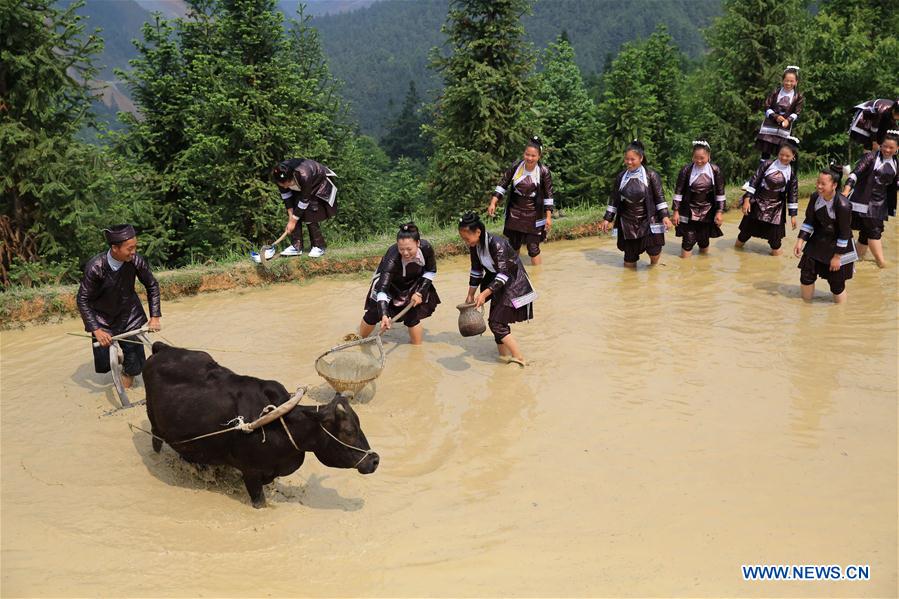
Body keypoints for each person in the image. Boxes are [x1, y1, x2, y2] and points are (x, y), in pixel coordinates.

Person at [76, 224, 161, 389]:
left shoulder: (136, 261)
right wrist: (97, 329)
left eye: (135, 247)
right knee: (104, 366)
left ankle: (127, 380)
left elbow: (152, 286)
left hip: (130, 315)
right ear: (115, 248)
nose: (134, 251)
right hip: (102, 319)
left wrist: (155, 317)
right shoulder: (95, 267)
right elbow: (82, 299)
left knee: (135, 365)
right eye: (130, 248)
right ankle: (121, 359)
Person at [459, 212, 535, 367]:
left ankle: (519, 358)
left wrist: (485, 293)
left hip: (513, 283)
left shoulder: (497, 244)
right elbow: (476, 271)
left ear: (478, 232)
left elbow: (504, 273)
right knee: (497, 322)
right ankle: (503, 357)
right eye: (463, 239)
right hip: (497, 284)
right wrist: (470, 295)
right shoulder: (475, 246)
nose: (466, 242)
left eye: (466, 238)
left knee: (496, 323)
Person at [358, 223, 440, 345]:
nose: (405, 253)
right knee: (373, 314)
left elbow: (430, 271)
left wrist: (420, 292)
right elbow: (382, 289)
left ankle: (416, 350)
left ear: (418, 243)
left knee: (412, 316)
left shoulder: (426, 248)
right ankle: (360, 341)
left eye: (409, 249)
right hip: (388, 285)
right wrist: (384, 314)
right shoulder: (392, 258)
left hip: (413, 284)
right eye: (401, 249)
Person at [599, 140, 673, 267]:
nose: (629, 162)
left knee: (654, 252)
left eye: (632, 159)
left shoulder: (651, 175)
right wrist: (607, 219)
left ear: (641, 158)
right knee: (629, 261)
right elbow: (614, 200)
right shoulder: (621, 177)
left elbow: (659, 198)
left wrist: (665, 216)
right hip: (628, 222)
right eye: (627, 159)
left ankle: (653, 270)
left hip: (648, 219)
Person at [794, 165, 857, 304]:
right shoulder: (815, 197)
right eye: (818, 182)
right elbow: (809, 220)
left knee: (836, 285)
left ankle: (840, 315)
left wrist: (837, 257)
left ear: (834, 185)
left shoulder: (843, 205)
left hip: (839, 246)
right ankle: (805, 309)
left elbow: (844, 233)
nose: (819, 186)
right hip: (818, 240)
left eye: (823, 184)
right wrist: (800, 241)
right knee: (806, 275)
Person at [487, 136, 555, 265]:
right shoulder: (517, 166)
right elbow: (503, 183)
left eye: (533, 156)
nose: (529, 158)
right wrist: (493, 202)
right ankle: (514, 273)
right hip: (515, 212)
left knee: (533, 248)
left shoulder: (543, 171)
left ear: (539, 156)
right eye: (527, 154)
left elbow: (549, 195)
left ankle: (537, 276)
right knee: (513, 245)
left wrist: (548, 217)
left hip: (534, 214)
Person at [842, 129, 898, 268]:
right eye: (885, 146)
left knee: (865, 235)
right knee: (874, 232)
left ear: (897, 148)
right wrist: (846, 191)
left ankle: (854, 261)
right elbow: (855, 174)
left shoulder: (896, 162)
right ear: (881, 145)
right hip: (864, 201)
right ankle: (882, 264)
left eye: (891, 147)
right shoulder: (871, 157)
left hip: (881, 204)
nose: (887, 149)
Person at [736, 136, 800, 255]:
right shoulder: (767, 164)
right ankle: (736, 253)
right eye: (781, 154)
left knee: (775, 243)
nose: (783, 158)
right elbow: (754, 181)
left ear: (793, 157)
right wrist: (747, 200)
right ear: (778, 153)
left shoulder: (791, 174)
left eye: (787, 156)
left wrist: (793, 216)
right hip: (757, 203)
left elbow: (793, 195)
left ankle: (777, 267)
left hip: (776, 209)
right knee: (743, 235)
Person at [267, 158, 338, 259]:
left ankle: (319, 246)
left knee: (310, 212)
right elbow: (286, 197)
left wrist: (293, 221)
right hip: (300, 186)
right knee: (296, 211)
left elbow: (305, 200)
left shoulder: (304, 175)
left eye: (286, 184)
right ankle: (296, 246)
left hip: (317, 183)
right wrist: (291, 217)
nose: (284, 187)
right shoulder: (279, 175)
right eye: (281, 185)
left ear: (291, 177)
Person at [672, 140, 726, 258]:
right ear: (692, 157)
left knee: (704, 241)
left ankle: (704, 270)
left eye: (702, 158)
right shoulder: (686, 170)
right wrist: (676, 211)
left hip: (708, 210)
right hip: (688, 210)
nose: (699, 161)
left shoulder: (715, 170)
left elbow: (720, 193)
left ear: (709, 156)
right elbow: (678, 192)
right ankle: (685, 268)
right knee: (688, 241)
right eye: (696, 158)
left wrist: (719, 212)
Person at [754, 66, 804, 164]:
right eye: (786, 80)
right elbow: (766, 107)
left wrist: (787, 120)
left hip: (784, 128)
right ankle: (762, 174)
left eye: (791, 81)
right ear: (782, 80)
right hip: (769, 126)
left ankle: (778, 175)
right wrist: (775, 116)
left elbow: (797, 112)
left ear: (796, 82)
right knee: (766, 152)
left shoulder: (798, 96)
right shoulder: (775, 92)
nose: (788, 83)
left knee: (781, 152)